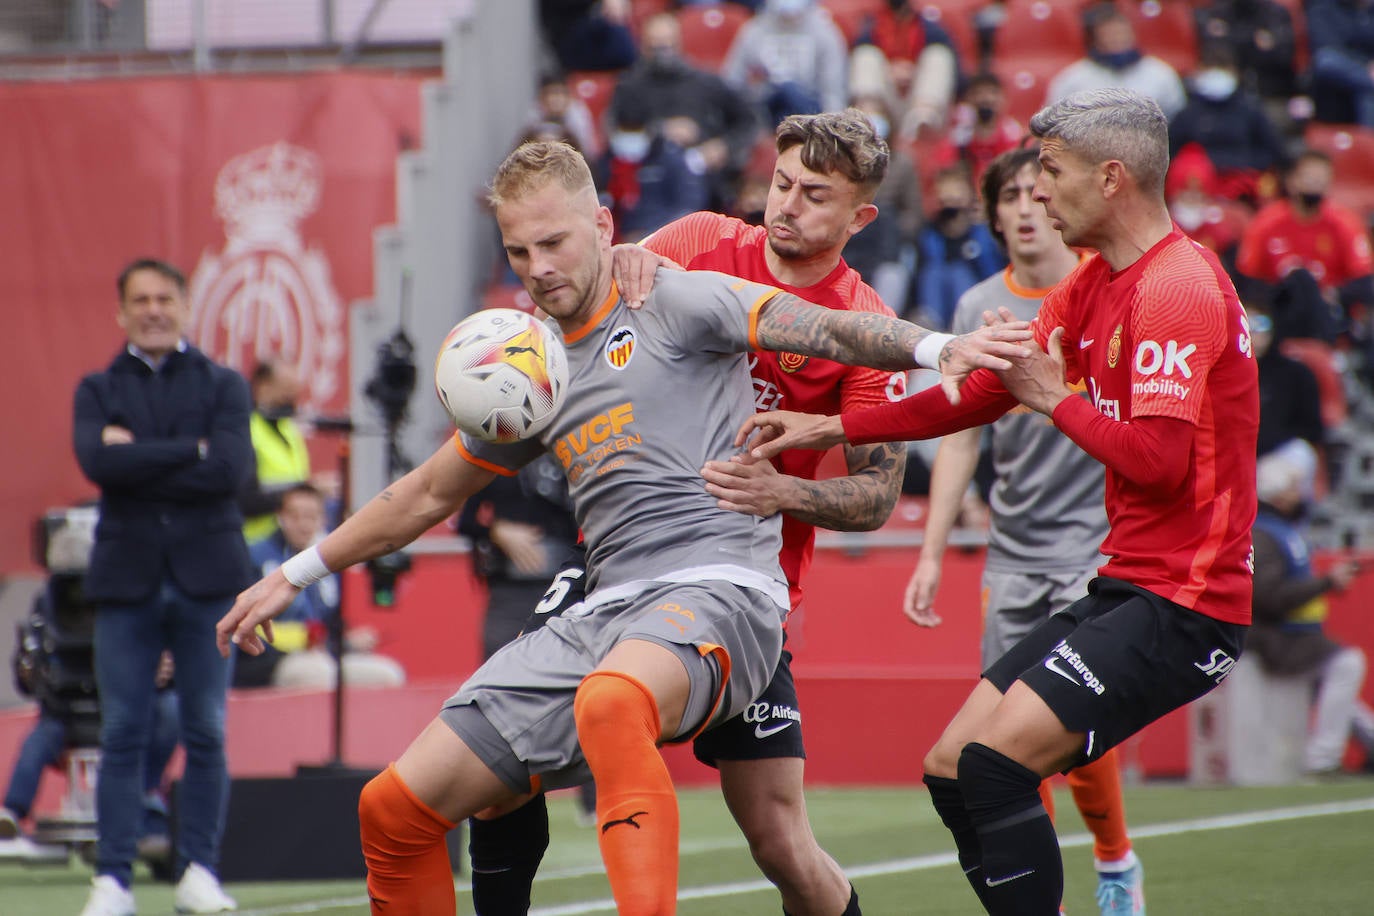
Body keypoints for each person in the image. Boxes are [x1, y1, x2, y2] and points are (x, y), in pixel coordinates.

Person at [216, 140, 1030, 915]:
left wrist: (940, 347)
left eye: (554, 243)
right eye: (518, 252)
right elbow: (426, 495)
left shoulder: (671, 294)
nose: (538, 269)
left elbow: (816, 326)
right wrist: (293, 574)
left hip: (725, 592)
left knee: (670, 751)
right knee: (390, 809)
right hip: (605, 611)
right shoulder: (529, 368)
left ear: (603, 226)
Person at [737, 88, 1257, 914]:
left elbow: (1158, 464)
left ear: (1112, 177)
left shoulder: (1175, 289)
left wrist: (1055, 400)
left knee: (995, 765)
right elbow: (978, 394)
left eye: (1051, 172)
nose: (1038, 192)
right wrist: (833, 422)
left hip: (1188, 601)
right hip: (1126, 585)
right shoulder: (1095, 287)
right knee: (951, 763)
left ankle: (1114, 871)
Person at [468, 109, 923, 916]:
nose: (786, 206)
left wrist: (785, 492)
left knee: (781, 844)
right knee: (498, 761)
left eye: (815, 196)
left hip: (745, 583)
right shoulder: (700, 239)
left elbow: (878, 494)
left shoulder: (866, 328)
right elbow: (586, 286)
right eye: (780, 184)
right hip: (618, 564)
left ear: (860, 219)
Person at [905, 146, 1146, 915]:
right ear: (995, 212)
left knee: (1068, 718)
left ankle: (1114, 864)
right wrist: (934, 552)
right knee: (1005, 743)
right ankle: (1049, 897)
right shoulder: (978, 307)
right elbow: (960, 434)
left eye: (1034, 194)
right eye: (1007, 196)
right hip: (1013, 545)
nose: (1024, 208)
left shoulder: (1096, 291)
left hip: (1094, 542)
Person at [73, 258, 253, 915]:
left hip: (209, 582)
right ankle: (113, 879)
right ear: (121, 312)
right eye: (140, 300)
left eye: (164, 298)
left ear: (185, 306)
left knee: (206, 730)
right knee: (123, 731)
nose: (153, 309)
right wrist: (190, 451)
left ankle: (199, 870)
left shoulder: (224, 383)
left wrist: (137, 456)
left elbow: (231, 471)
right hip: (127, 583)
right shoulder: (96, 388)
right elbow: (97, 461)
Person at [1250, 448, 1374, 776]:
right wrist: (1326, 583)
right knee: (1346, 664)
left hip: (1292, 635)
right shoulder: (1264, 534)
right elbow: (1268, 597)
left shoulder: (1278, 529)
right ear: (1274, 492)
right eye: (1292, 486)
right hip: (1275, 637)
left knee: (1337, 678)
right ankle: (1322, 759)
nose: (1300, 492)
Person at [235, 483, 406, 690]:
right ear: (280, 516)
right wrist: (305, 640)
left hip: (324, 656)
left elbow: (331, 623)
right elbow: (248, 626)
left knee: (387, 675)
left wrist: (348, 641)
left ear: (323, 520)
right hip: (271, 662)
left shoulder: (327, 562)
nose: (303, 525)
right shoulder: (255, 557)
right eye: (295, 516)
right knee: (318, 672)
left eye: (311, 517)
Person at [609, 12, 759, 211]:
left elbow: (748, 121)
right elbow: (618, 136)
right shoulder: (629, 87)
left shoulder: (705, 81)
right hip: (649, 177)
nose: (663, 52)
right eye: (655, 45)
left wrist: (723, 147)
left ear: (679, 43)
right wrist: (660, 130)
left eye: (667, 44)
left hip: (704, 174)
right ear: (643, 46)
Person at [1047, 4, 1186, 120]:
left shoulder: (1160, 73)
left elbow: (1178, 119)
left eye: (1121, 33)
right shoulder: (1072, 78)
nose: (1117, 39)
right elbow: (1053, 123)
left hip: (1149, 146)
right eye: (1109, 34)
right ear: (1096, 39)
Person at [722, 0, 850, 126]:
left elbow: (832, 92)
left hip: (809, 109)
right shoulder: (754, 30)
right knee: (781, 91)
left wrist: (830, 128)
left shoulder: (825, 33)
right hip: (767, 107)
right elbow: (733, 81)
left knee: (790, 90)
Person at [239, 358, 310, 544]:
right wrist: (301, 492)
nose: (291, 396)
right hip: (256, 543)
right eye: (285, 388)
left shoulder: (288, 428)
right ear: (263, 386)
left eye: (295, 388)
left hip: (289, 544)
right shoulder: (247, 429)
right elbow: (244, 498)